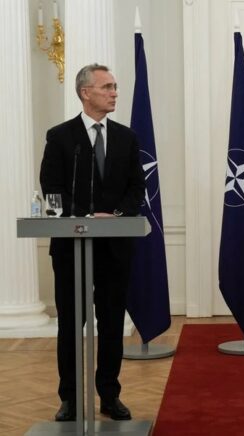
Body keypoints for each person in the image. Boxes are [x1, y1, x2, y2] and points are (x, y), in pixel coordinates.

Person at [40, 64, 145, 421]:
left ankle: (110, 395)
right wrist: (82, 217)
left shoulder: (127, 138)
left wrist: (115, 214)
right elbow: (51, 187)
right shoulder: (60, 137)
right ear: (86, 92)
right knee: (71, 324)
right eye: (107, 87)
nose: (115, 92)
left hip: (114, 246)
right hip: (72, 246)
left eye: (115, 87)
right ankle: (69, 397)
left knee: (112, 322)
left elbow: (137, 188)